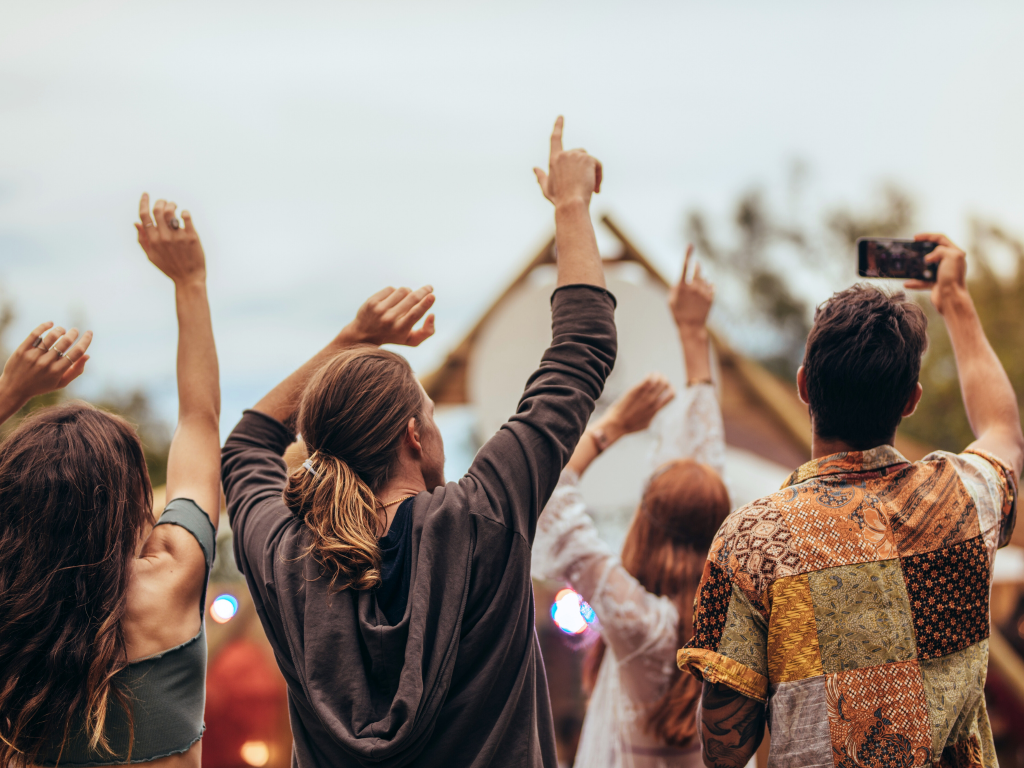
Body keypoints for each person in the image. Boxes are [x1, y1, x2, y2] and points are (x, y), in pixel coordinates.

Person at [220, 117, 617, 768]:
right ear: (414, 434)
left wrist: (351, 340)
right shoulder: (479, 517)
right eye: (429, 413)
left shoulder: (289, 557)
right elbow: (582, 349)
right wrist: (571, 205)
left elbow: (247, 445)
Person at [678, 234, 1023, 768]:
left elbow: (725, 748)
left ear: (803, 388)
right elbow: (1003, 430)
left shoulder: (752, 539)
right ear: (910, 401)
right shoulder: (965, 498)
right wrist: (953, 297)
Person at [0, 194, 221, 768]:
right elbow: (199, 420)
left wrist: (8, 393)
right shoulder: (171, 577)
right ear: (126, 503)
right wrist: (190, 282)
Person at [532, 247, 734, 768]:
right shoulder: (730, 622)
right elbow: (705, 471)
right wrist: (692, 336)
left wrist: (612, 427)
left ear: (646, 523)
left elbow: (551, 495)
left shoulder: (642, 626)